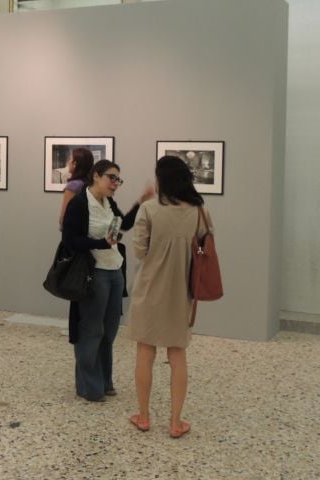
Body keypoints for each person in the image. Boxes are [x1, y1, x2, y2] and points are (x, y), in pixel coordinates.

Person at [127, 155, 213, 438]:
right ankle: (176, 422)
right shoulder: (200, 211)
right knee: (178, 355)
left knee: (145, 352)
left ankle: (143, 416)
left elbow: (139, 251)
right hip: (181, 293)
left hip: (149, 290)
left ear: (162, 179)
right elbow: (206, 248)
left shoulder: (149, 210)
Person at [61, 159, 154, 402]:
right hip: (95, 273)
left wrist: (140, 202)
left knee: (109, 331)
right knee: (92, 329)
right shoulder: (80, 204)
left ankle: (104, 381)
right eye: (112, 178)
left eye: (118, 180)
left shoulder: (108, 202)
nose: (115, 184)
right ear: (96, 176)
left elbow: (122, 226)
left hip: (114, 272)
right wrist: (100, 243)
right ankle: (89, 386)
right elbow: (70, 241)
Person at [58, 147, 94, 229]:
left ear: (75, 164)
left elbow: (64, 216)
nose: (68, 163)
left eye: (70, 159)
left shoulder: (73, 185)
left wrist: (61, 224)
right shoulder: (92, 184)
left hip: (73, 231)